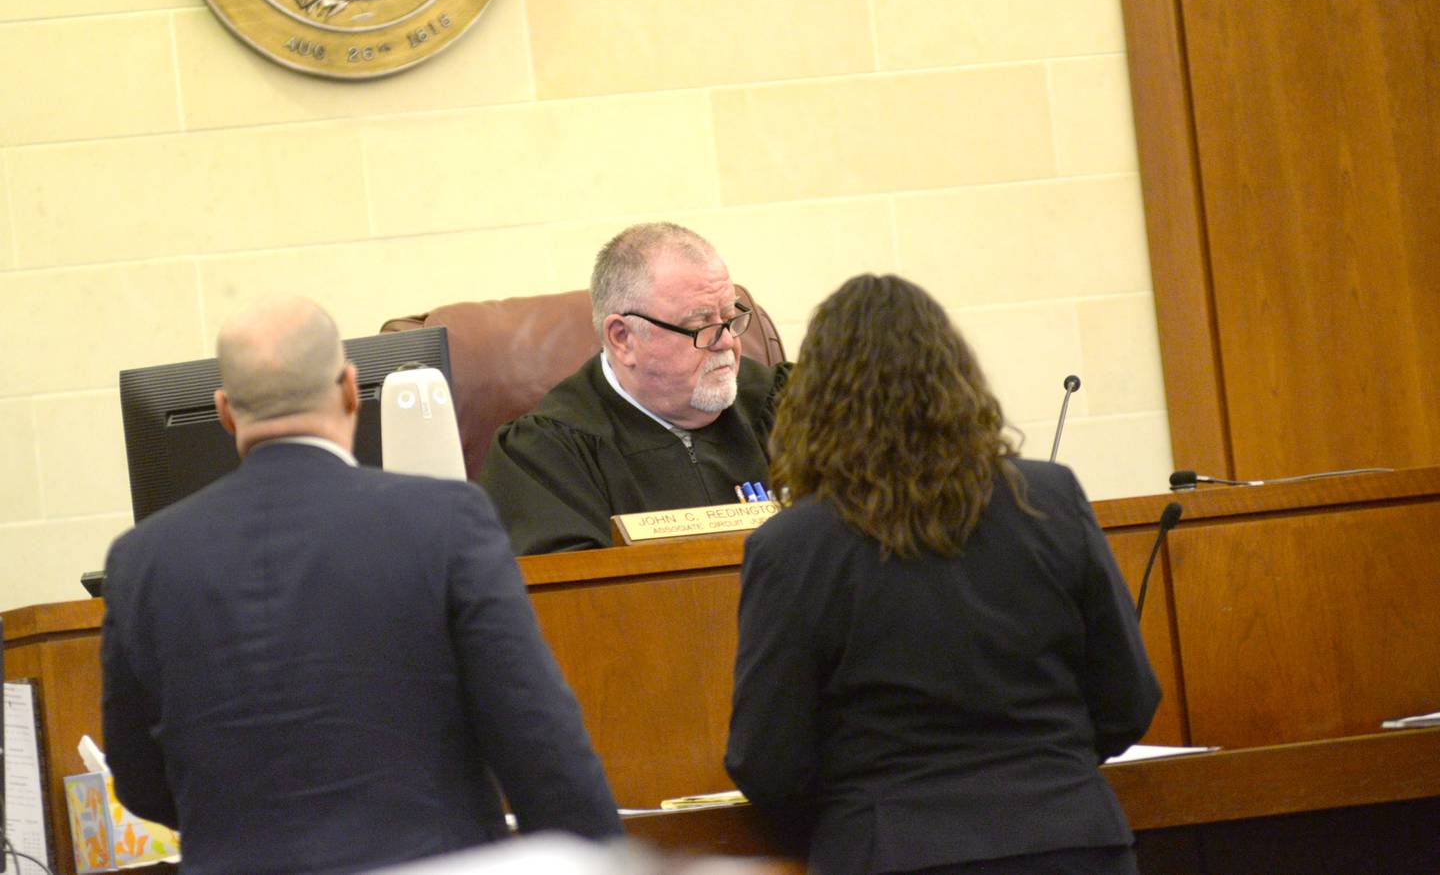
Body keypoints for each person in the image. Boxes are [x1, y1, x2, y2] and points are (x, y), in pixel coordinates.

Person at [101, 296, 622, 875]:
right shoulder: (444, 522)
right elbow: (537, 743)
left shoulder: (141, 560)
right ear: (351, 390)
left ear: (225, 412)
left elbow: (140, 780)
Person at [725, 275, 1160, 875]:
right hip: (1070, 837)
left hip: (893, 848)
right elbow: (1129, 697)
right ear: (956, 377)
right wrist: (1046, 773)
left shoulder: (792, 545)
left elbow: (768, 761)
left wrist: (856, 809)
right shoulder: (1051, 498)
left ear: (814, 401)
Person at [480, 223, 791, 555]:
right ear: (622, 338)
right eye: (700, 324)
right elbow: (578, 598)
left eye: (729, 317)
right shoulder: (545, 457)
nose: (727, 341)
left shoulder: (786, 406)